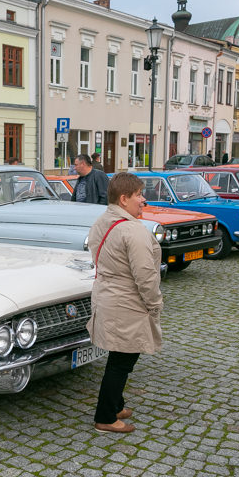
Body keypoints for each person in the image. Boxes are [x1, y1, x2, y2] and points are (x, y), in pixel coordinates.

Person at [87, 172, 163, 434]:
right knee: (122, 361)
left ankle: (116, 404)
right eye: (139, 195)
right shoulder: (132, 230)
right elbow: (145, 275)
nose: (144, 200)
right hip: (126, 303)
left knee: (120, 355)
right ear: (123, 199)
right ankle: (106, 416)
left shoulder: (102, 220)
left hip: (108, 296)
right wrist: (154, 304)